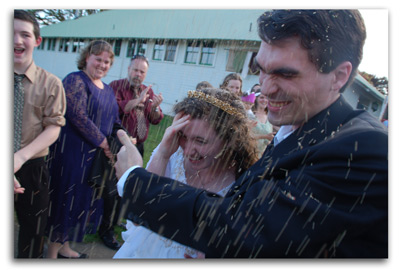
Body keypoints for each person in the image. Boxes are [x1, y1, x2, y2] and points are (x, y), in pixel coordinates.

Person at [114, 10, 388, 258]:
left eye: (285, 74)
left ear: (339, 76)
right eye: (261, 70)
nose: (265, 89)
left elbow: (252, 230)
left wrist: (133, 180)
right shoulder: (299, 126)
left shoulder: (364, 149)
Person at [113, 88, 258, 258]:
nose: (188, 151)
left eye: (200, 140)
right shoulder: (173, 152)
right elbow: (141, 215)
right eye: (183, 136)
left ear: (229, 139)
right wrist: (163, 154)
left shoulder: (244, 180)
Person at [46, 40, 122, 258]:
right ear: (87, 57)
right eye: (98, 59)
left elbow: (115, 120)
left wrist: (122, 138)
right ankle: (51, 254)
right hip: (71, 154)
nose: (102, 64)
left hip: (95, 160)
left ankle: (65, 247)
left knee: (80, 202)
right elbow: (77, 115)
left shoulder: (107, 90)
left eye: (107, 61)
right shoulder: (75, 80)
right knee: (64, 200)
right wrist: (105, 143)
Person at [13, 10, 66, 258]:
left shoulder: (52, 84)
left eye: (24, 34)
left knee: (32, 235)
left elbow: (53, 127)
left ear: (37, 40)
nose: (16, 41)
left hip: (32, 168)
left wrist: (19, 158)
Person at [110, 55, 164, 157]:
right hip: (118, 144)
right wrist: (138, 100)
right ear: (129, 69)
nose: (138, 74)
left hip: (139, 147)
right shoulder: (116, 86)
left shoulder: (148, 91)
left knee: (134, 173)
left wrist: (155, 108)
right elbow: (114, 109)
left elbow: (155, 120)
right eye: (136, 70)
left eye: (142, 72)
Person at [251, 90, 275, 157]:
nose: (264, 100)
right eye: (261, 98)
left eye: (266, 98)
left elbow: (268, 140)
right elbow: (246, 136)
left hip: (263, 156)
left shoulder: (269, 116)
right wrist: (265, 136)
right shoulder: (251, 115)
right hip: (250, 153)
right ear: (256, 99)